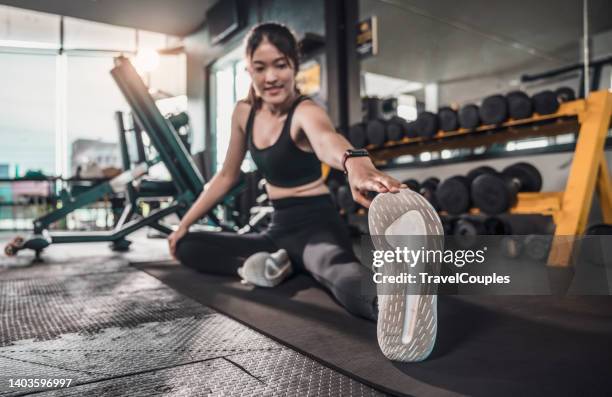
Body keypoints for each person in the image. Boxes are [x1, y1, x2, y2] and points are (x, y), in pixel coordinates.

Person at [168, 22, 440, 361]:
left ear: (295, 65)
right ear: (249, 68)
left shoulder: (305, 110)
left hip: (317, 226)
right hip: (276, 229)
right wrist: (183, 225)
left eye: (280, 64)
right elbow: (225, 176)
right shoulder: (243, 113)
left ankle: (393, 301)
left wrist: (355, 162)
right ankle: (273, 265)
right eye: (260, 67)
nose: (271, 77)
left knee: (337, 272)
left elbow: (327, 140)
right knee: (189, 246)